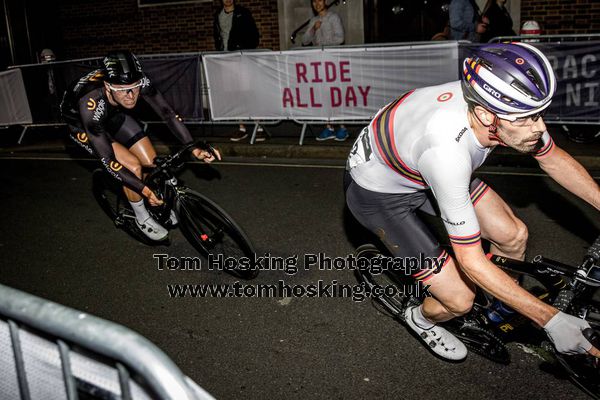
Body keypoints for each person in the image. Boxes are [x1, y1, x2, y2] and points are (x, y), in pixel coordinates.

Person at [345, 42, 600, 361]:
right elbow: (471, 260)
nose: (539, 128)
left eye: (539, 114)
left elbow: (553, 159)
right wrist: (550, 319)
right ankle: (420, 319)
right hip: (380, 194)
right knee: (459, 298)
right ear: (483, 114)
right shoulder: (446, 152)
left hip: (415, 164)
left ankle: (500, 308)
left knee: (513, 235)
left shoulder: (502, 103)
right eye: (525, 119)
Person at [61, 51, 220, 241]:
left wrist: (193, 148)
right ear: (108, 86)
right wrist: (144, 190)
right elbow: (108, 160)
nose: (130, 96)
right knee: (133, 167)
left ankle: (152, 200)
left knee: (151, 162)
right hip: (83, 125)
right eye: (122, 89)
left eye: (135, 88)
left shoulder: (139, 81)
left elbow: (167, 114)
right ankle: (141, 216)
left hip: (113, 113)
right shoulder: (90, 100)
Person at [213, 0, 265, 142]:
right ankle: (241, 128)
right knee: (235, 94)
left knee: (249, 92)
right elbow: (218, 37)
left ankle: (259, 127)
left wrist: (245, 51)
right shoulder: (218, 15)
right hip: (226, 59)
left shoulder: (243, 13)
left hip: (242, 58)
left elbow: (254, 36)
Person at [302, 0, 348, 142]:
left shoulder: (333, 17)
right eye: (314, 1)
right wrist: (313, 29)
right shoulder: (313, 20)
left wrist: (323, 46)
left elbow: (340, 38)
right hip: (319, 63)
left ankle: (342, 127)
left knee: (336, 94)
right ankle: (329, 127)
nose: (317, 3)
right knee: (324, 94)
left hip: (333, 61)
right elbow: (304, 41)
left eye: (320, 0)